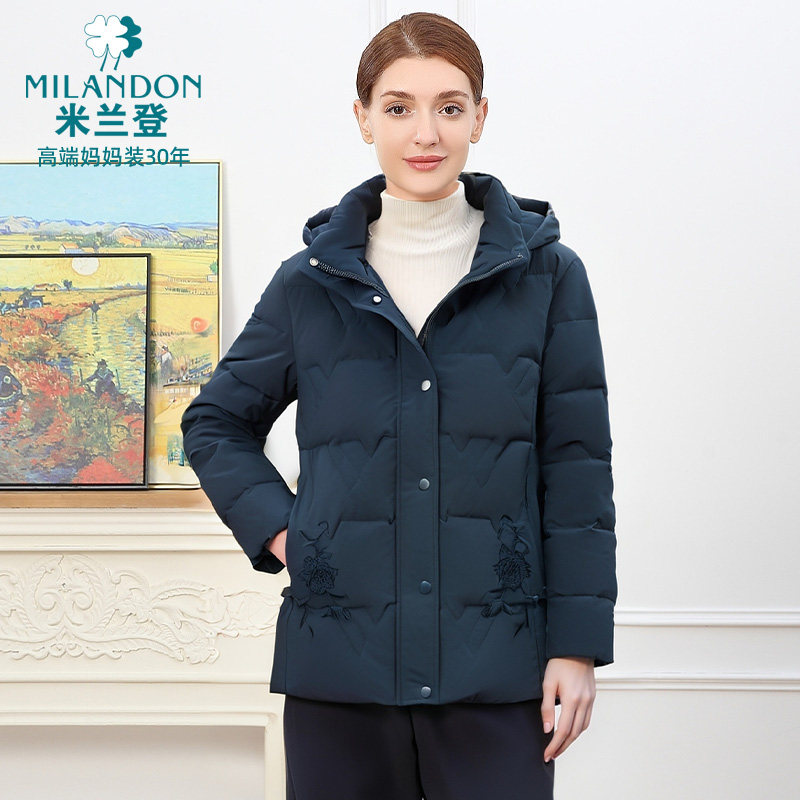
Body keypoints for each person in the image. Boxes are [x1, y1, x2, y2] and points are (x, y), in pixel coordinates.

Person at [180, 12, 617, 800]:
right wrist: (288, 533)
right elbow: (214, 422)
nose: (425, 133)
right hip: (339, 670)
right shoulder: (310, 283)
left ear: (480, 117)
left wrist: (576, 647)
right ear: (363, 118)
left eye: (449, 107)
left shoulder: (549, 277)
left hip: (499, 672)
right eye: (398, 107)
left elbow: (577, 472)